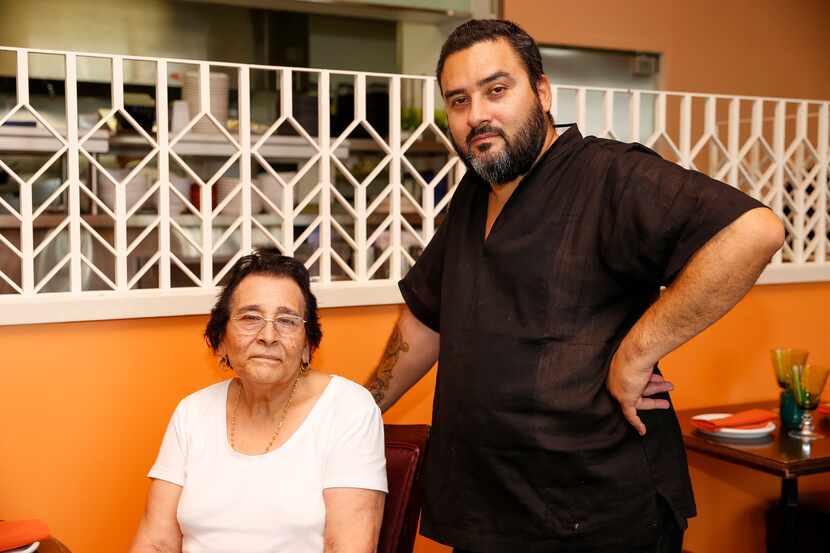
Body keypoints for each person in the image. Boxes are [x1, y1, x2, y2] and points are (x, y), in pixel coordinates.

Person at [365, 19, 784, 553]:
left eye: (497, 90)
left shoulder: (609, 175)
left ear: (541, 92)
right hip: (488, 506)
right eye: (460, 100)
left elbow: (755, 230)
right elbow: (428, 317)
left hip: (595, 513)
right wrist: (357, 409)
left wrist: (636, 353)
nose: (478, 116)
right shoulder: (476, 191)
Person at [130, 250, 387, 553]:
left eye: (287, 320)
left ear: (307, 345)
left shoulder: (348, 409)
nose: (268, 335)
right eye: (250, 318)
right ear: (221, 339)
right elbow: (156, 543)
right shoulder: (192, 412)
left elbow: (346, 546)